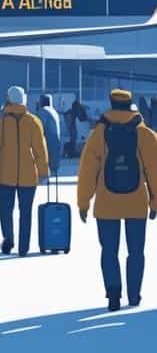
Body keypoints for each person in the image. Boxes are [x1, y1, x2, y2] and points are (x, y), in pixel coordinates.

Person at [77, 88, 157, 312]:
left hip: (106, 203)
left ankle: (113, 293)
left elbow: (87, 171)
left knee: (109, 251)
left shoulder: (98, 134)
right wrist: (155, 202)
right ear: (131, 105)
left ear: (111, 104)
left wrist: (84, 203)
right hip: (136, 203)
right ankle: (133, 295)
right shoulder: (145, 134)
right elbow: (154, 171)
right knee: (136, 251)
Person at [0, 85, 49, 256]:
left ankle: (8, 241)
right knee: (25, 212)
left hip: (6, 175)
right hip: (29, 176)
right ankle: (23, 247)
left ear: (7, 100)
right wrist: (43, 172)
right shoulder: (33, 122)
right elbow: (40, 150)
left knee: (5, 211)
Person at [38, 94, 63, 177]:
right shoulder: (54, 111)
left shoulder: (43, 111)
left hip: (48, 140)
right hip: (56, 139)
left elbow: (39, 127)